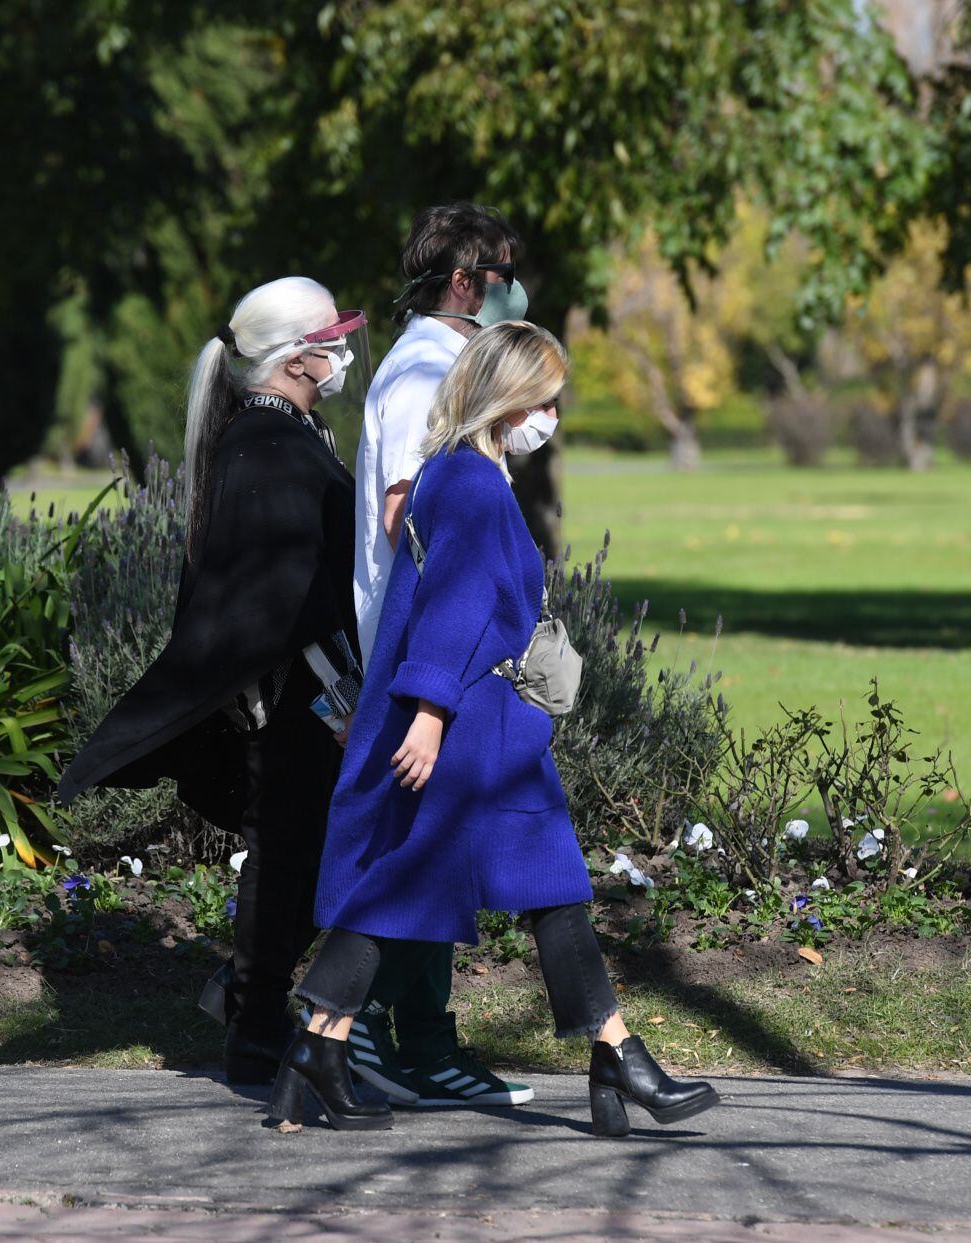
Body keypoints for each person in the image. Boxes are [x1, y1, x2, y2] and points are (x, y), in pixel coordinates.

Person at [271, 322, 720, 1137]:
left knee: (523, 886)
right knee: (439, 886)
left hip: (482, 727)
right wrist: (434, 715)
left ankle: (323, 1051)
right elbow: (457, 608)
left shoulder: (451, 472)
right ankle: (321, 1048)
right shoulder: (475, 486)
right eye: (542, 398)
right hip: (473, 731)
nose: (552, 412)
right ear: (507, 398)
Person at [56, 276, 369, 1085]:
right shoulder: (270, 448)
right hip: (298, 704)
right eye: (332, 339)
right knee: (296, 857)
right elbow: (273, 599)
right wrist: (340, 693)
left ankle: (256, 1011)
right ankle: (259, 1029)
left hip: (304, 697)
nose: (343, 353)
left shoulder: (281, 437)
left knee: (306, 857)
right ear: (299, 358)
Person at [326, 202, 535, 1109]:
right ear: (466, 279)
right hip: (426, 654)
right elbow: (408, 518)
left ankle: (397, 1037)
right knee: (417, 846)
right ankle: (365, 1032)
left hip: (441, 653)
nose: (514, 287)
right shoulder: (421, 371)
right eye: (503, 272)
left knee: (429, 845)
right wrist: (434, 692)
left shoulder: (442, 360)